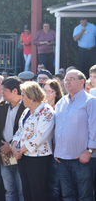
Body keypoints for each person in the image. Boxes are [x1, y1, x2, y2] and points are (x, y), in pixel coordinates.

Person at [54, 70, 96, 201]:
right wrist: (57, 150)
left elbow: (94, 128)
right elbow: (57, 128)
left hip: (82, 159)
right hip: (62, 158)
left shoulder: (91, 101)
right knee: (67, 196)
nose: (67, 82)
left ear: (82, 82)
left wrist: (89, 152)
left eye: (71, 79)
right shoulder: (61, 102)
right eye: (66, 79)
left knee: (85, 196)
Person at [12, 81, 55, 201]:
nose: (21, 98)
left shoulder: (46, 110)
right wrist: (14, 146)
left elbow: (40, 136)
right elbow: (20, 130)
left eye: (23, 95)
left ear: (31, 97)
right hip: (24, 156)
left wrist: (20, 151)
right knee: (27, 190)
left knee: (38, 191)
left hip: (38, 157)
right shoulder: (26, 111)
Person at [0, 76, 25, 201]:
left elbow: (26, 130)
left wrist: (10, 145)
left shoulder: (26, 106)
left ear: (14, 91)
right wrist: (2, 146)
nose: (1, 92)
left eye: (4, 90)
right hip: (5, 154)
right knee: (9, 190)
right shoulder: (1, 106)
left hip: (20, 153)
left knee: (22, 190)